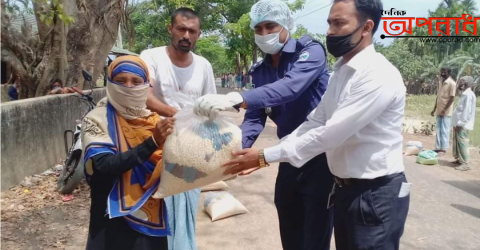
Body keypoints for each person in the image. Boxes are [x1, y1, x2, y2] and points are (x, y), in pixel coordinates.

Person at [199, 0, 411, 249]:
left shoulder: (327, 58)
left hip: (359, 183)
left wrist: (242, 106)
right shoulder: (341, 71)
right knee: (291, 225)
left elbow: (319, 123)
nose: (330, 31)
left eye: (339, 23)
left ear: (366, 27)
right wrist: (236, 152)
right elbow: (315, 120)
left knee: (315, 237)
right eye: (330, 23)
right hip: (312, 165)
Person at [194, 1, 333, 249]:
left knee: (315, 232)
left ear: (286, 25)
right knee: (289, 223)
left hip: (320, 157)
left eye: (270, 26)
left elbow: (290, 88)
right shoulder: (260, 70)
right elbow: (256, 116)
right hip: (288, 156)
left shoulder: (310, 52)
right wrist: (236, 147)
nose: (264, 33)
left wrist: (237, 98)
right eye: (258, 28)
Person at [139, 7, 216, 250]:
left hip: (190, 150)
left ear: (199, 34)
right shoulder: (151, 57)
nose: (186, 35)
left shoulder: (204, 65)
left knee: (185, 211)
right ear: (170, 28)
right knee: (152, 211)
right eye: (181, 28)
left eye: (192, 31)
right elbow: (144, 96)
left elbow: (211, 107)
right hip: (155, 146)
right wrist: (178, 115)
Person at [82, 55, 175, 250]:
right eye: (121, 81)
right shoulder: (96, 120)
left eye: (136, 82)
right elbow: (103, 166)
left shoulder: (154, 121)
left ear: (145, 85)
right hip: (111, 217)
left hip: (149, 213)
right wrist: (152, 142)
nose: (128, 86)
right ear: (110, 82)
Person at [452, 76, 477, 171]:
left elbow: (466, 111)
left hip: (462, 124)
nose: (459, 83)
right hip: (458, 122)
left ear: (466, 83)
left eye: (461, 81)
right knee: (458, 142)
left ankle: (465, 163)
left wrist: (460, 123)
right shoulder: (464, 93)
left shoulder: (468, 95)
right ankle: (459, 159)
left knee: (463, 143)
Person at [431, 67, 456, 154]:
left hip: (446, 112)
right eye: (441, 72)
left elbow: (452, 98)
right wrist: (434, 109)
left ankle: (444, 148)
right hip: (439, 110)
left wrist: (444, 110)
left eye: (444, 72)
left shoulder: (452, 83)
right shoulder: (441, 82)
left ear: (449, 73)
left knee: (445, 130)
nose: (442, 73)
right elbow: (438, 97)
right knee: (438, 129)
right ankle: (438, 147)